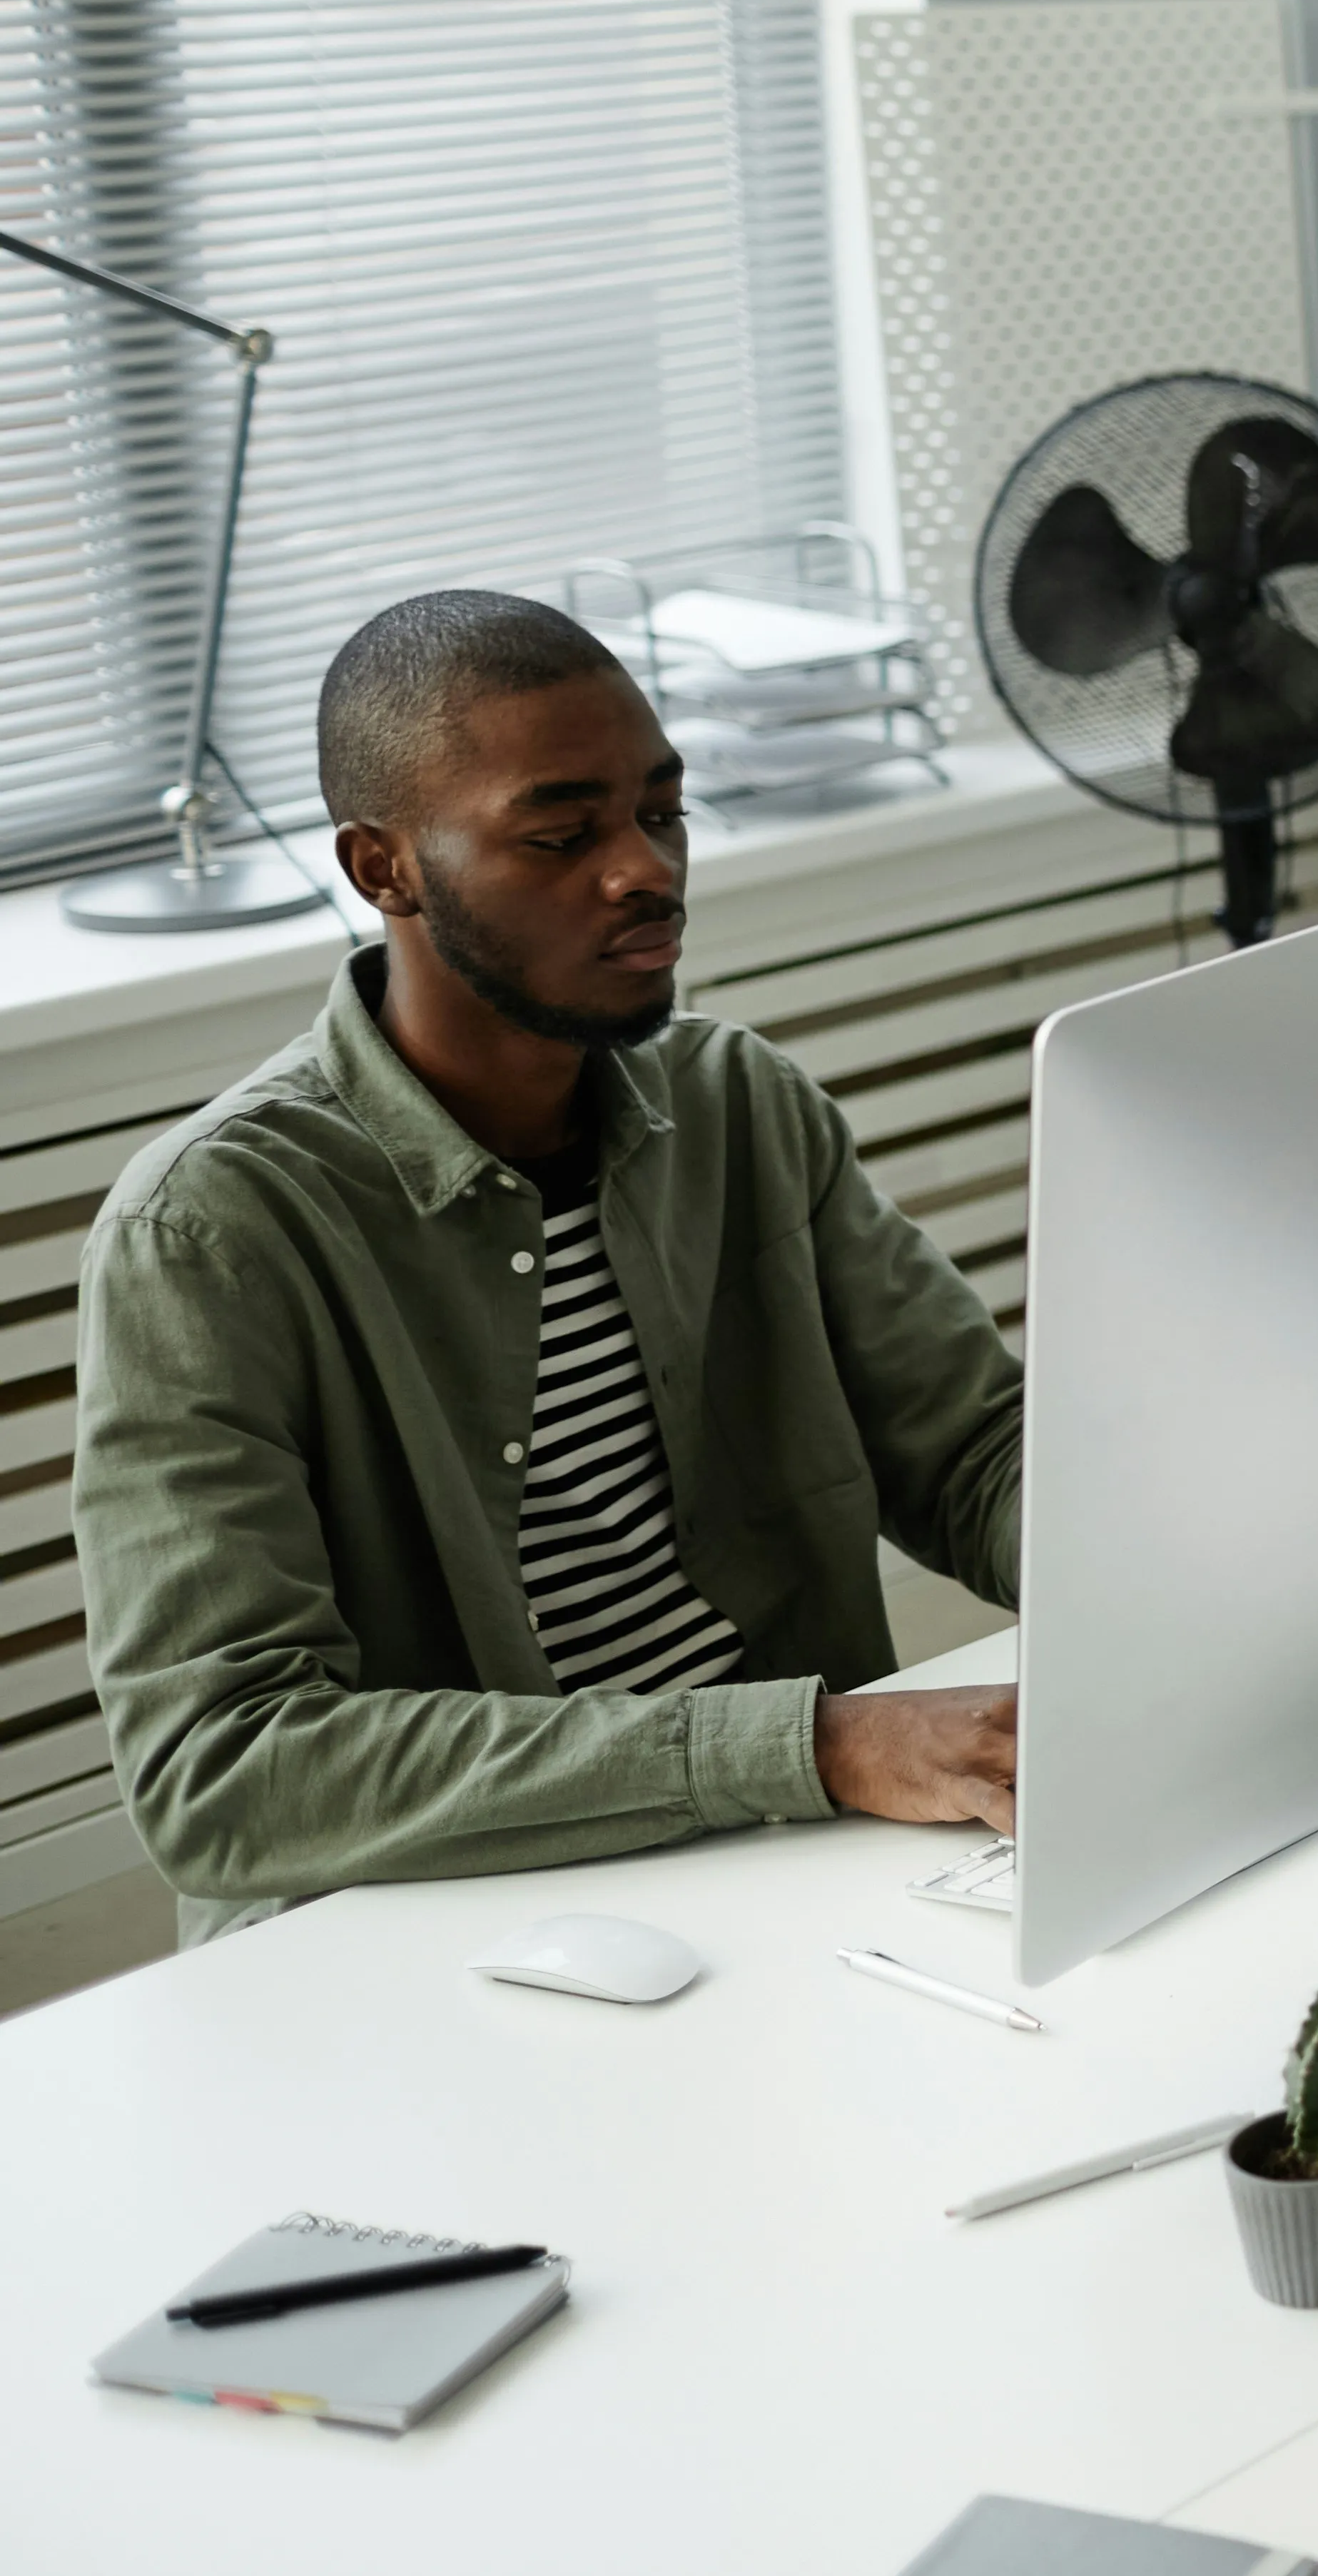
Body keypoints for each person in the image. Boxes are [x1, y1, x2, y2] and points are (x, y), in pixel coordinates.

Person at [76, 593, 1030, 1937]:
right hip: (446, 1925)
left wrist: (1189, 1568)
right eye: (563, 833)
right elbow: (224, 1770)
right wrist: (812, 1748)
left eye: (662, 811)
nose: (647, 869)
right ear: (384, 868)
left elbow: (978, 1453)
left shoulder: (738, 1105)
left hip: (794, 1853)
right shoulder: (211, 1233)